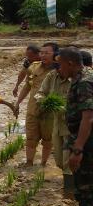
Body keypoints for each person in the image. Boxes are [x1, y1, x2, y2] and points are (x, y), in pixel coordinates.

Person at [56, 47, 93, 206]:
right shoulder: (84, 77)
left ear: (70, 63)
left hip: (88, 145)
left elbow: (88, 117)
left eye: (60, 64)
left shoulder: (84, 82)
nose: (58, 69)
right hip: (84, 141)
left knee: (85, 188)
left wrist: (77, 148)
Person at [15, 42, 58, 166]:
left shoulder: (60, 70)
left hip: (50, 112)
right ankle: (29, 163)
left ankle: (43, 164)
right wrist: (18, 102)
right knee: (30, 138)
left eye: (47, 53)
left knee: (48, 140)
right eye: (42, 53)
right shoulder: (34, 67)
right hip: (32, 109)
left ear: (55, 55)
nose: (43, 55)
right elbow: (27, 86)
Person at [35, 56, 73, 197]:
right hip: (57, 123)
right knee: (59, 159)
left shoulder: (78, 79)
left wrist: (67, 109)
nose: (59, 68)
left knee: (68, 160)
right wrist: (43, 101)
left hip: (72, 125)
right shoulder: (52, 76)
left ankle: (70, 191)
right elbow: (40, 93)